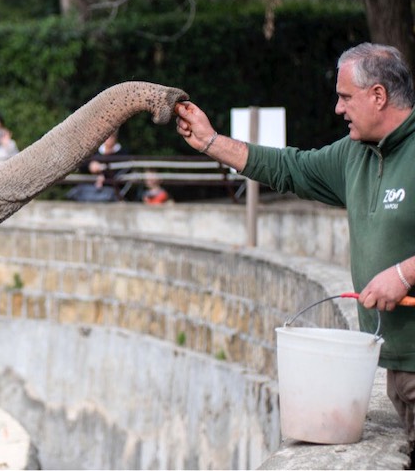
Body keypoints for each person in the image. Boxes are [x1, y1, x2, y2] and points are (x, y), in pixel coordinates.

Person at [174, 42, 415, 438]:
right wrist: (210, 142)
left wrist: (404, 274)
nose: (338, 109)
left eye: (345, 97)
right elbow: (290, 168)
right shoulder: (354, 155)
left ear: (378, 96)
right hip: (396, 365)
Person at [65, 131, 129, 202]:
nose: (108, 139)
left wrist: (102, 173)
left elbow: (121, 172)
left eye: (111, 137)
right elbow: (82, 166)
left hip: (109, 191)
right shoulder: (94, 152)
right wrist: (90, 166)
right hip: (88, 189)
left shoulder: (123, 154)